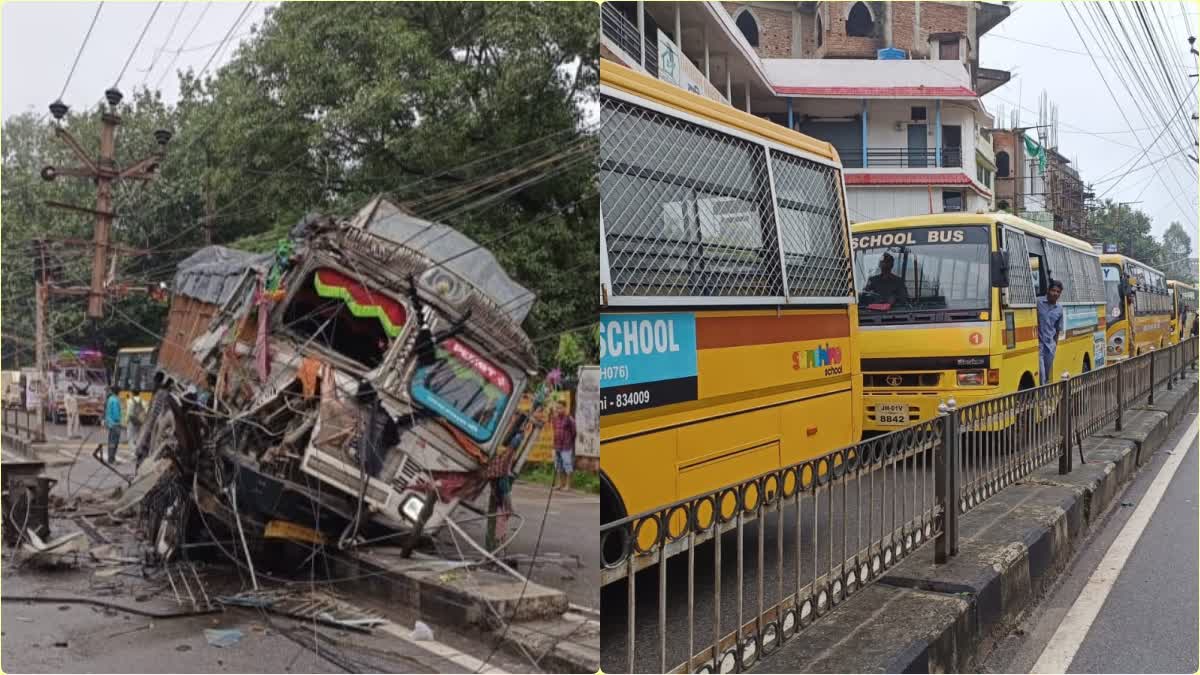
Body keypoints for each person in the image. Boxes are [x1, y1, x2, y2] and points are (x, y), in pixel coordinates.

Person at [1038, 280, 1065, 386]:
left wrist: (1054, 346)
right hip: (1039, 345)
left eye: (1058, 292)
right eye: (1053, 290)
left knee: (1047, 375)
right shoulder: (1038, 302)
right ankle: (1041, 399)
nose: (1055, 293)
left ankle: (1044, 398)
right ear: (1048, 291)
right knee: (1041, 374)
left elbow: (1058, 329)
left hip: (1050, 347)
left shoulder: (1059, 309)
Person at [550, 401, 577, 491]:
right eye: (557, 408)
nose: (558, 410)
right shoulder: (555, 419)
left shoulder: (569, 419)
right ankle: (560, 484)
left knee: (567, 465)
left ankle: (568, 485)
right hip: (556, 445)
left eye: (560, 408)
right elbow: (554, 430)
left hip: (566, 446)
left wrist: (569, 441)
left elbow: (574, 432)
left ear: (565, 408)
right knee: (558, 466)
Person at [103, 386, 123, 463]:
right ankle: (112, 458)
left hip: (110, 423)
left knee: (111, 442)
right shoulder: (115, 400)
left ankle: (110, 458)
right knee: (114, 442)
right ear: (118, 392)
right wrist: (119, 421)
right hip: (115, 424)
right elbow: (116, 414)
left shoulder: (110, 399)